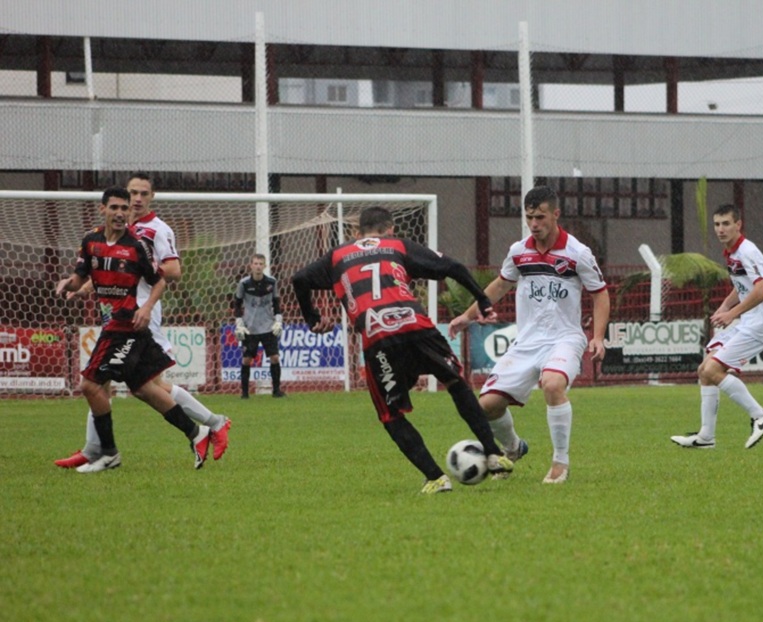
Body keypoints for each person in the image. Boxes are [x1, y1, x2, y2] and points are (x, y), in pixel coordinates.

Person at [292, 206, 514, 494]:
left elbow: (299, 279)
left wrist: (312, 319)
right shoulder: (397, 246)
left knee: (391, 414)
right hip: (416, 326)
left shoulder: (337, 255)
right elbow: (454, 268)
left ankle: (436, 478)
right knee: (455, 383)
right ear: (390, 229)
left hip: (378, 337)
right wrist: (482, 301)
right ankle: (492, 452)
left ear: (357, 233)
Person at [55, 172, 231, 469]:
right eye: (131, 193)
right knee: (140, 386)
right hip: (117, 313)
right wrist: (83, 287)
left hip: (139, 316)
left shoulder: (153, 232)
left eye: (142, 194)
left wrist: (145, 295)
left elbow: (171, 271)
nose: (135, 199)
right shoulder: (114, 232)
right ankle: (206, 427)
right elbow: (104, 269)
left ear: (152, 197)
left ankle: (99, 450)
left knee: (103, 381)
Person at [448, 185, 610, 484]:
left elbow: (600, 294)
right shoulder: (519, 251)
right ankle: (513, 448)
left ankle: (560, 462)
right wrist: (467, 316)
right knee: (486, 406)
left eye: (540, 217)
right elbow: (499, 285)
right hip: (527, 341)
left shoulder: (577, 253)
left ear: (556, 214)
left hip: (565, 338)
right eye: (529, 217)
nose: (534, 224)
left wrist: (597, 337)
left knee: (552, 384)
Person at [670, 203, 763, 450]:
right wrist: (724, 307)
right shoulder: (731, 252)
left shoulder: (747, 251)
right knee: (704, 369)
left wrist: (732, 314)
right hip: (747, 321)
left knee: (713, 370)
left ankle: (760, 415)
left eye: (726, 224)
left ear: (738, 225)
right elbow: (741, 286)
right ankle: (706, 437)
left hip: (759, 324)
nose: (720, 229)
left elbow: (762, 290)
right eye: (717, 224)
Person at [234, 253, 285, 398]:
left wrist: (278, 321)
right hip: (250, 328)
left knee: (275, 357)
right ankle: (244, 394)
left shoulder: (272, 282)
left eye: (260, 264)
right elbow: (237, 304)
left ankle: (276, 391)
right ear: (251, 265)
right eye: (255, 263)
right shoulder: (244, 284)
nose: (257, 266)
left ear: (265, 266)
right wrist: (239, 323)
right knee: (246, 360)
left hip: (268, 327)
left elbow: (276, 303)